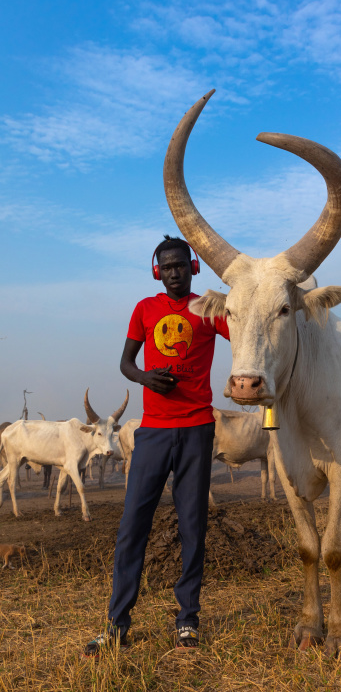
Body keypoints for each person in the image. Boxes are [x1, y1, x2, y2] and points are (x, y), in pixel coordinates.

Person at [84, 235, 229, 655]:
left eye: (180, 265)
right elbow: (126, 363)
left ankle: (187, 620)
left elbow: (247, 331)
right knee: (132, 527)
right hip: (152, 431)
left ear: (193, 267)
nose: (174, 272)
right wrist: (146, 378)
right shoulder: (144, 309)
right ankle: (117, 624)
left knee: (192, 527)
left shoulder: (208, 309)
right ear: (157, 271)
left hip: (197, 429)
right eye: (166, 266)